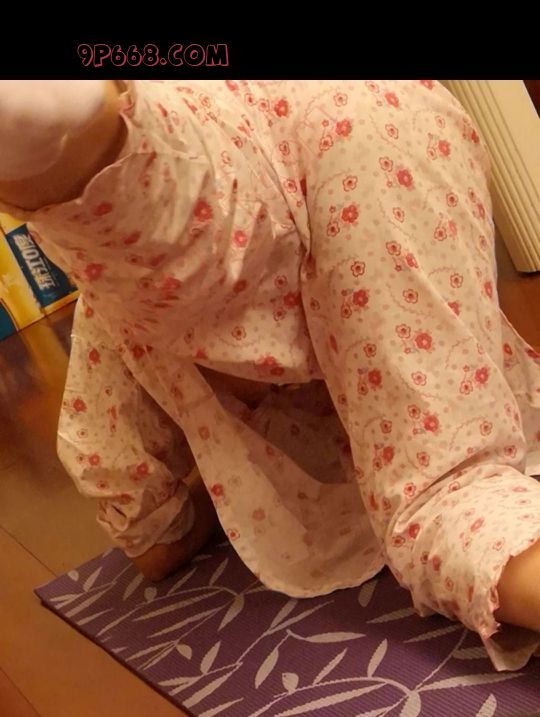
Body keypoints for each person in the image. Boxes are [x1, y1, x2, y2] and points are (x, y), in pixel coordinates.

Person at [1, 79, 539, 671]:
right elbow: (144, 528)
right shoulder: (124, 304)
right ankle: (72, 145)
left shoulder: (351, 142)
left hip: (355, 133)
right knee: (148, 215)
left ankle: (72, 142)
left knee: (446, 493)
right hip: (262, 127)